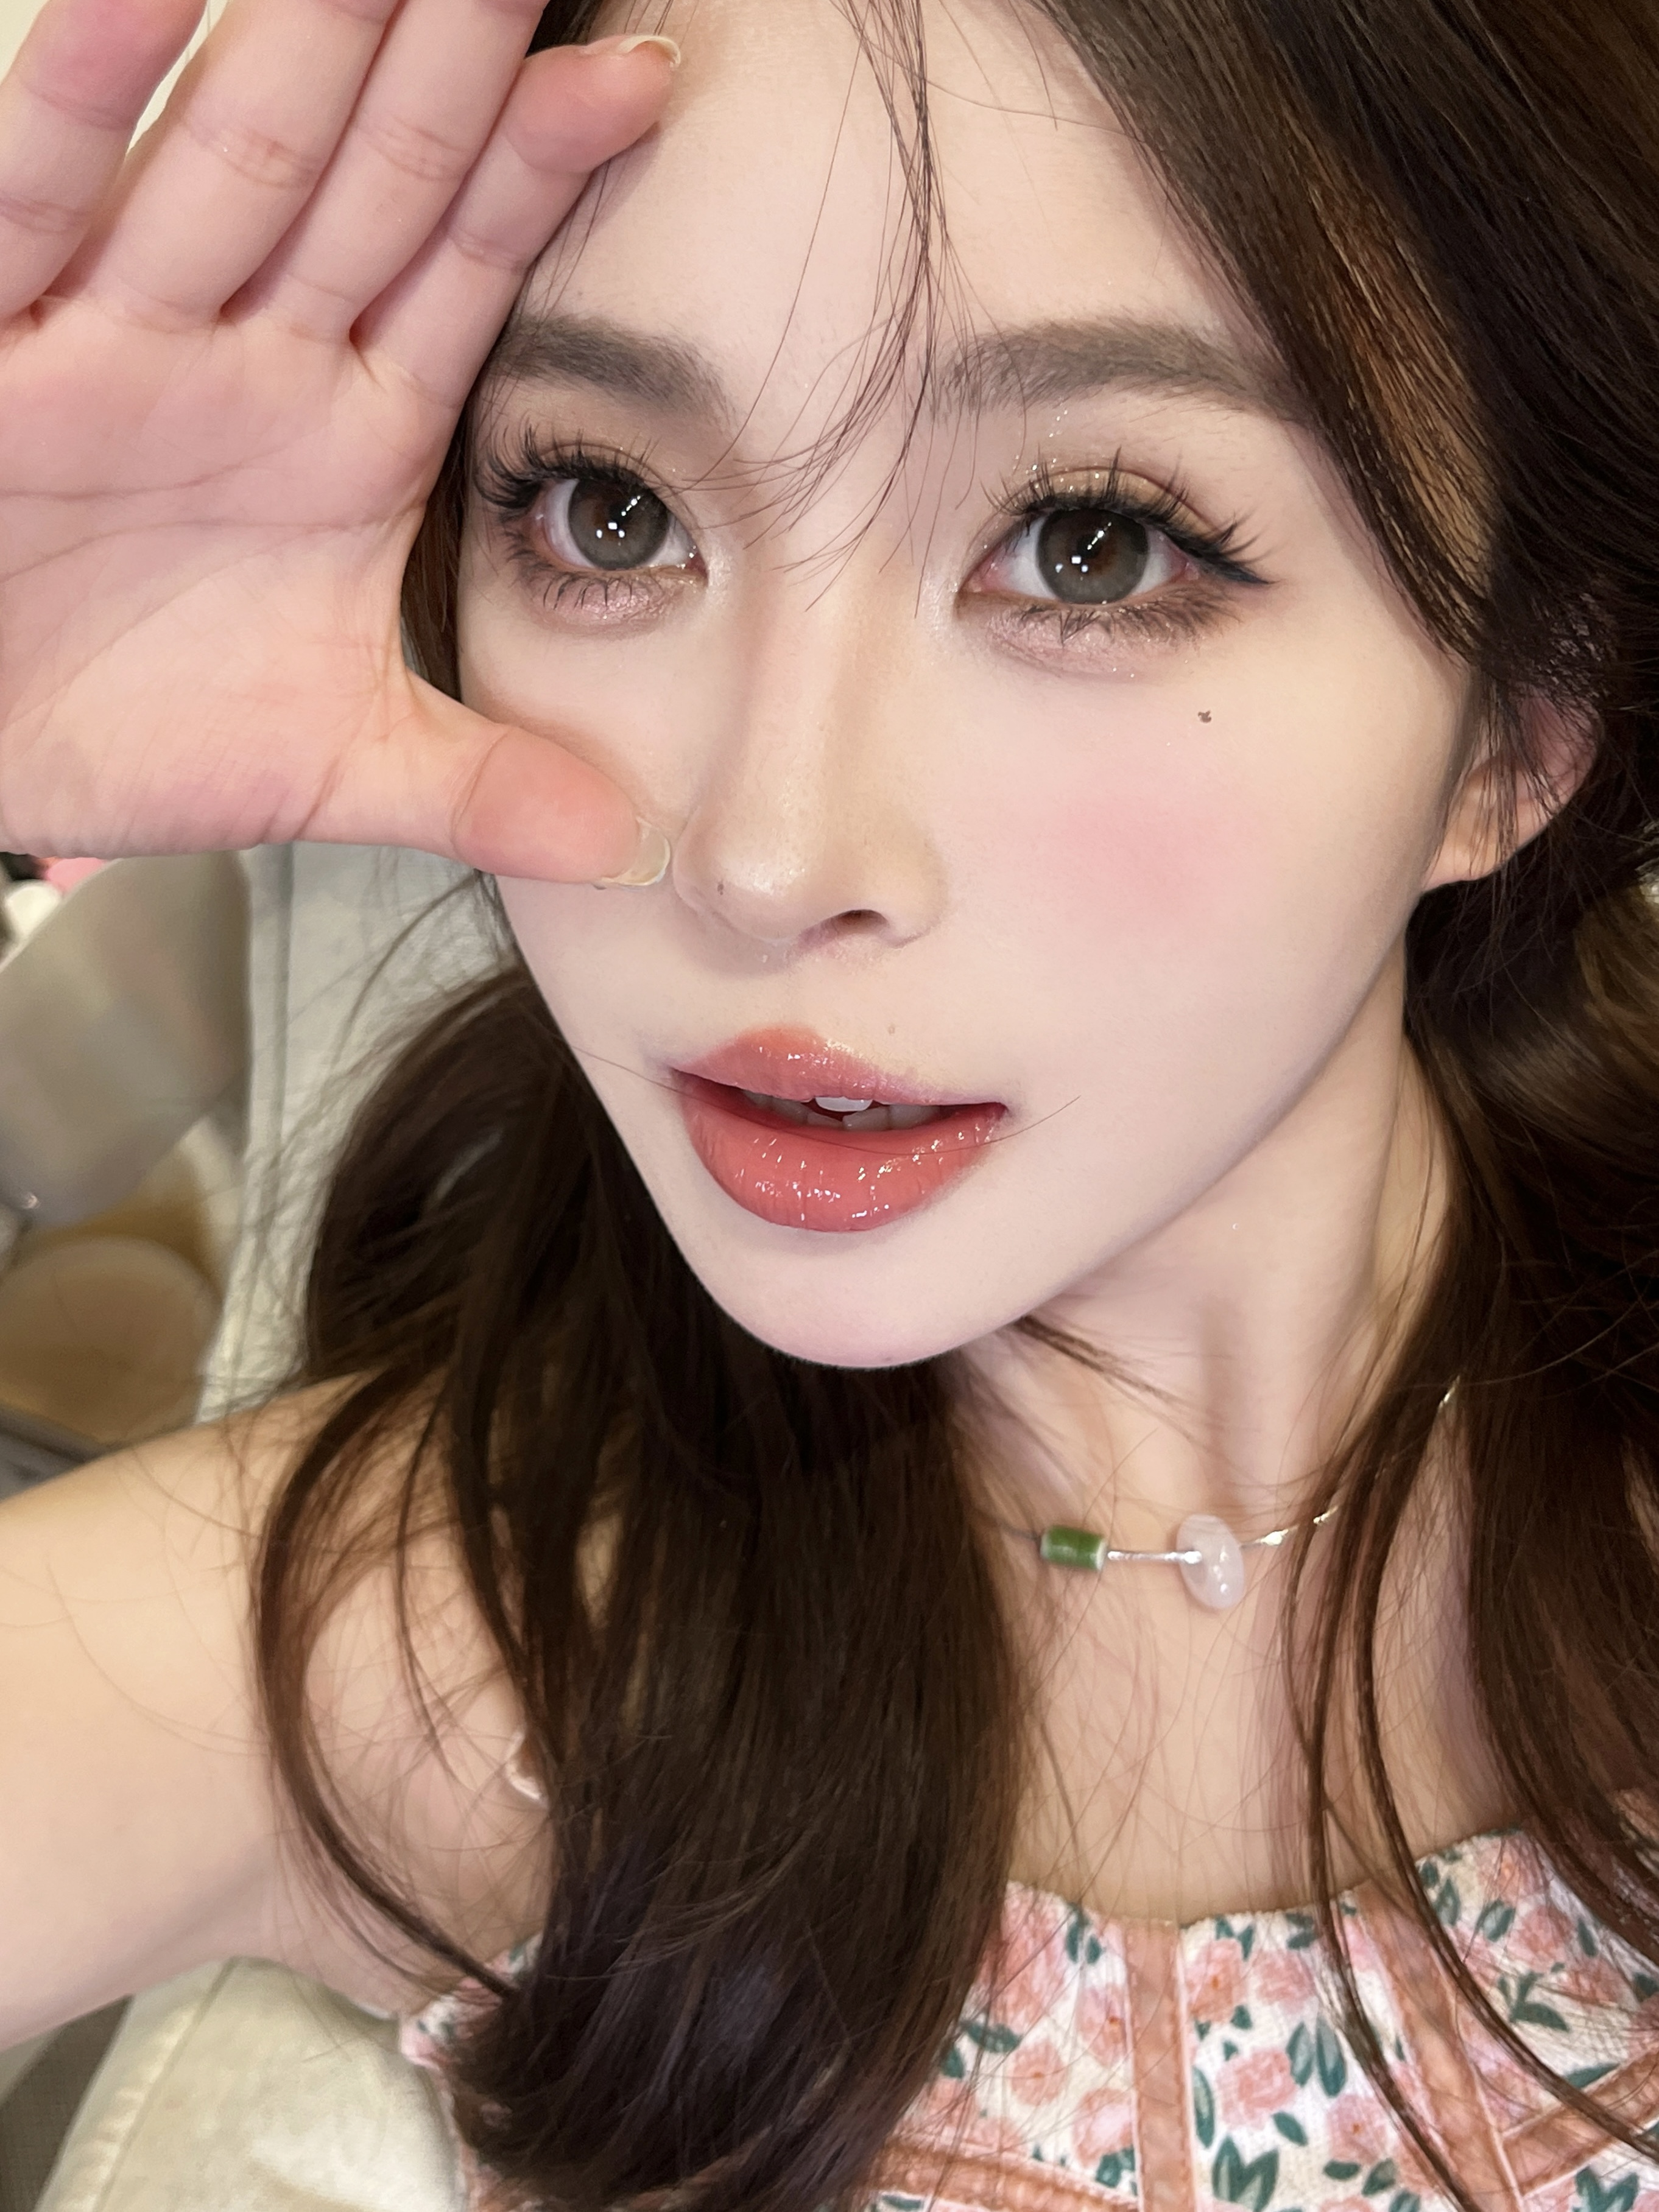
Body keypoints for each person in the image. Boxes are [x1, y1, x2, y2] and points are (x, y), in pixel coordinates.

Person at [3, 0, 1658, 2206]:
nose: (764, 856)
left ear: (1520, 727)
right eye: (606, 508)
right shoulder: (448, 1642)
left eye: (1090, 544)